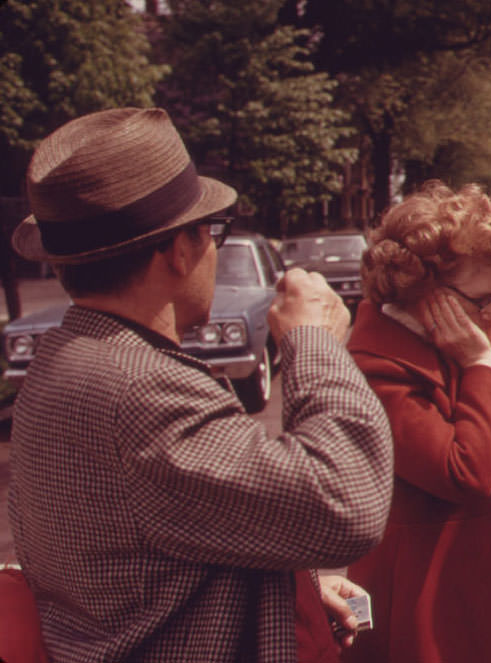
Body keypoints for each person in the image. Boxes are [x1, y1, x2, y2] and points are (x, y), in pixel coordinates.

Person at [7, 107, 394, 663]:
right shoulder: (142, 390)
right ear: (180, 249)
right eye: (213, 232)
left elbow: (143, 557)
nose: (212, 250)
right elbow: (347, 504)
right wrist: (314, 344)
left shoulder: (62, 362)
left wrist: (287, 592)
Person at [342, 181, 491, 663]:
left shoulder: (459, 341)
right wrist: (481, 365)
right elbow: (465, 474)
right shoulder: (375, 364)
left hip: (483, 582)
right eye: (482, 300)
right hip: (428, 601)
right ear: (421, 290)